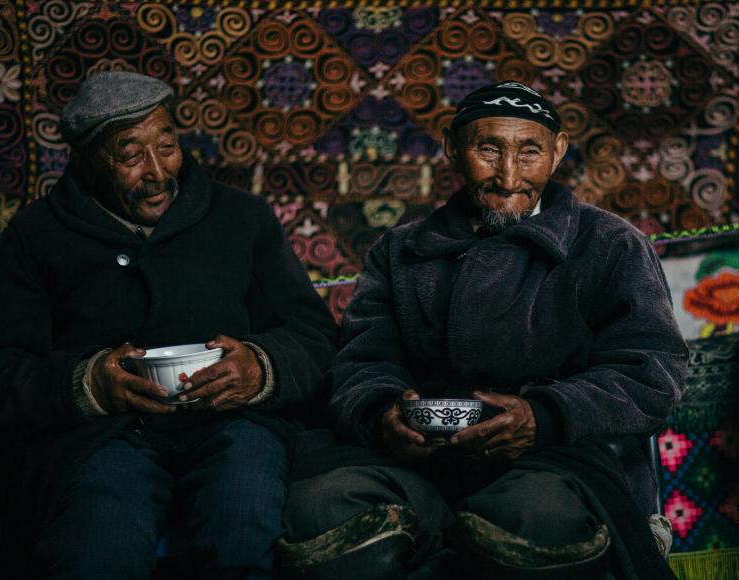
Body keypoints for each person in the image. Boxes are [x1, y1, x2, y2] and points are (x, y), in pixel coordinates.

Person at [280, 81, 687, 579]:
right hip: (423, 465)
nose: (509, 175)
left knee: (530, 517)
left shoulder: (610, 245)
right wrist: (384, 415)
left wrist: (544, 415)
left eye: (529, 151)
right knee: (322, 506)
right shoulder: (401, 251)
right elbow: (361, 364)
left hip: (562, 462)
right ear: (453, 148)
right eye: (489, 149)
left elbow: (652, 374)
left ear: (557, 152)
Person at [0, 71, 338, 579]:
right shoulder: (36, 237)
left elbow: (313, 337)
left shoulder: (241, 218)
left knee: (243, 517)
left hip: (232, 424)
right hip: (100, 436)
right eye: (131, 155)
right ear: (87, 161)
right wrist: (88, 384)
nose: (158, 171)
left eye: (167, 146)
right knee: (99, 540)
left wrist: (259, 368)